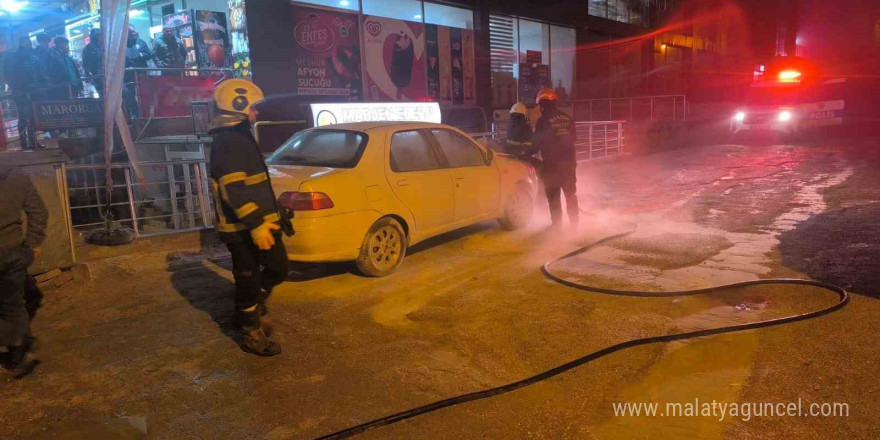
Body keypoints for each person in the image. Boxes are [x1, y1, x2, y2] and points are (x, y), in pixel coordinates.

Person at [209, 79, 290, 357]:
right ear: (239, 110)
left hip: (261, 224)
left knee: (278, 267)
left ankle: (252, 306)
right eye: (253, 108)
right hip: (242, 229)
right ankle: (251, 333)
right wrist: (256, 224)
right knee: (248, 278)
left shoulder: (239, 138)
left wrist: (274, 215)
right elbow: (234, 189)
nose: (257, 113)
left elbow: (254, 184)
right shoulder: (228, 142)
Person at [0, 163, 47, 379]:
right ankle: (18, 350)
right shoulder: (16, 174)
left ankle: (12, 343)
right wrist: (33, 244)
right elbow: (39, 211)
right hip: (13, 252)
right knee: (13, 303)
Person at [532, 88, 579, 228]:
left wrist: (525, 153)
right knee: (571, 195)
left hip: (552, 166)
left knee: (553, 196)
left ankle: (557, 226)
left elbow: (535, 145)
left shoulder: (542, 121)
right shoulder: (567, 117)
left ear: (542, 104)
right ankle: (574, 225)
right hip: (569, 164)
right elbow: (574, 137)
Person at [4, 37, 37, 150]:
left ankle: (30, 142)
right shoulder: (18, 57)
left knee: (29, 117)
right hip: (21, 91)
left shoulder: (24, 56)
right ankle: (26, 143)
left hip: (26, 90)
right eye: (28, 43)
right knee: (25, 117)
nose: (30, 45)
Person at [124, 25, 152, 118]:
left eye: (133, 32)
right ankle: (135, 116)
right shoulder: (121, 45)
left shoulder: (141, 42)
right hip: (128, 76)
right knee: (130, 97)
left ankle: (147, 114)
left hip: (141, 74)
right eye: (130, 32)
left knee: (145, 94)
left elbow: (148, 54)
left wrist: (139, 55)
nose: (132, 33)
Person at [82, 29, 103, 96]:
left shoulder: (103, 46)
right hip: (98, 76)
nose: (100, 37)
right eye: (98, 36)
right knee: (103, 95)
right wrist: (88, 75)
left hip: (108, 74)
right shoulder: (88, 49)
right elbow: (86, 64)